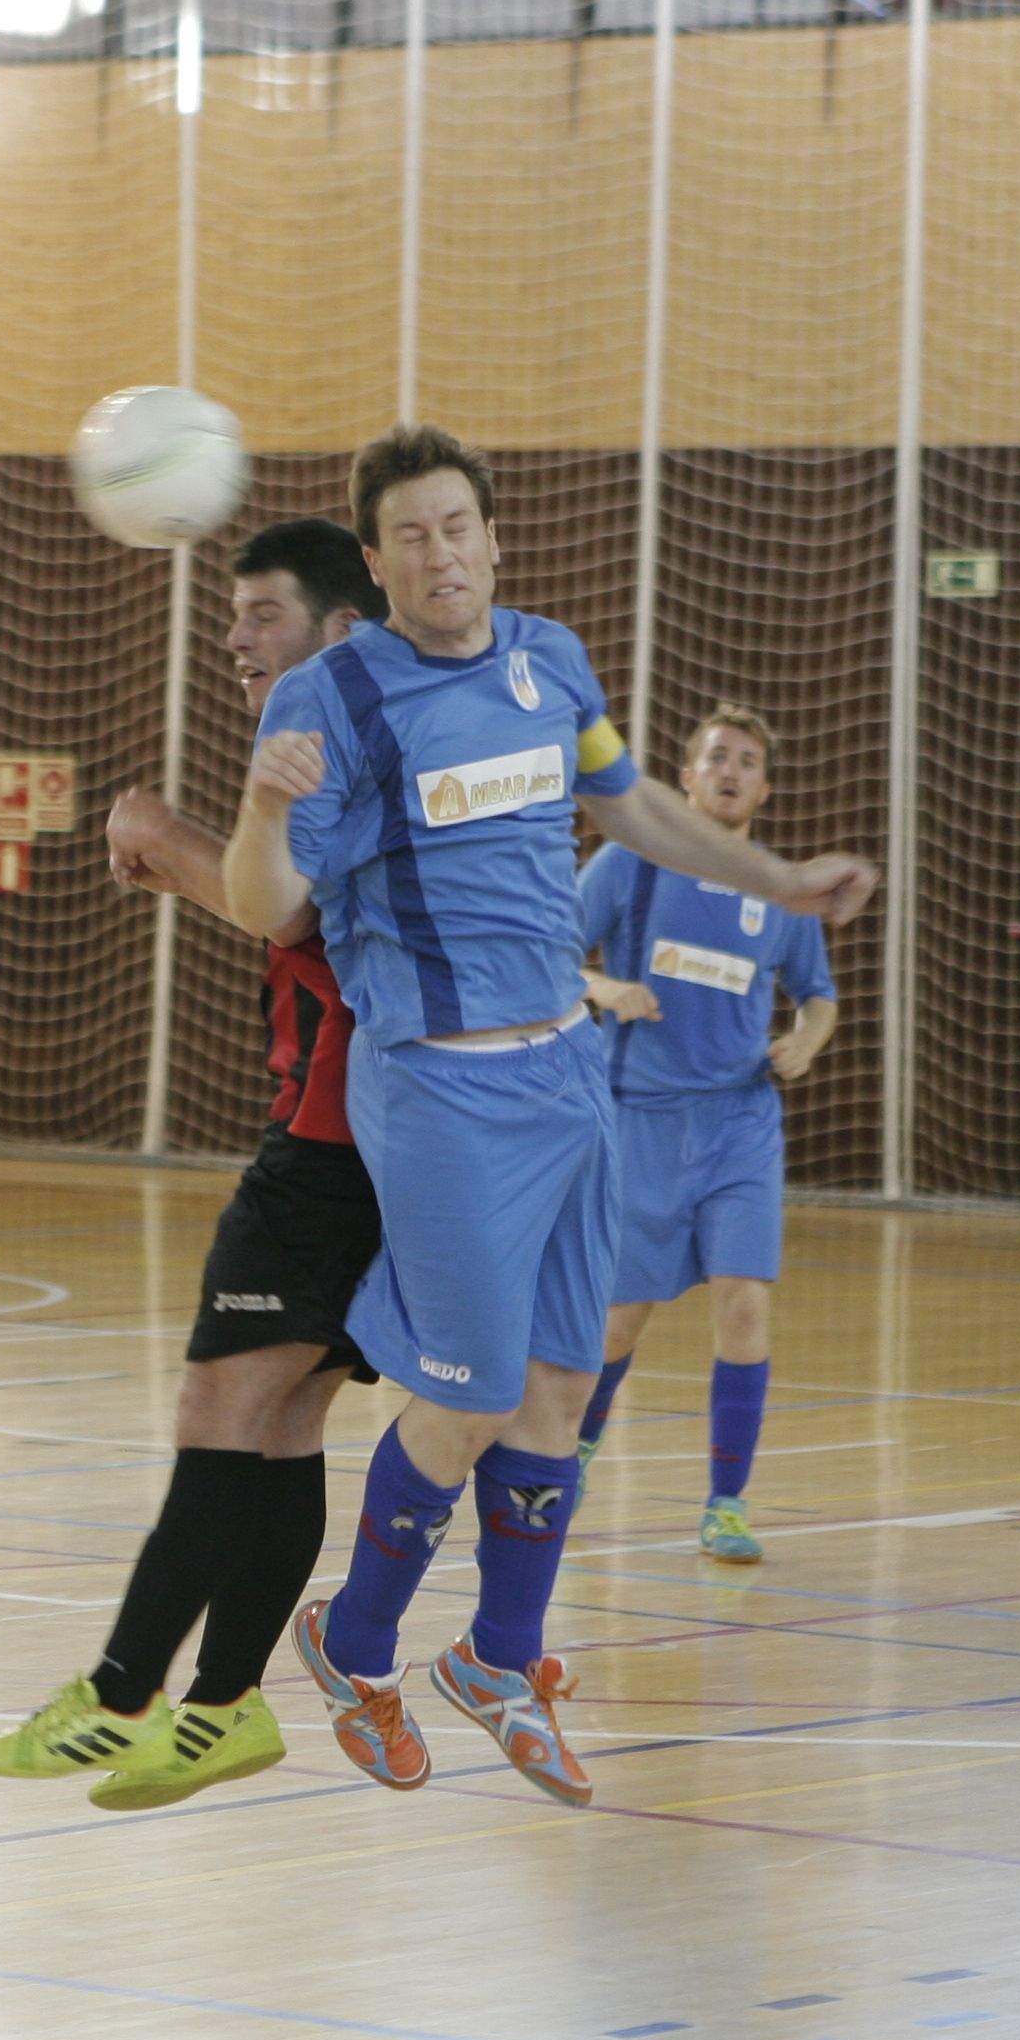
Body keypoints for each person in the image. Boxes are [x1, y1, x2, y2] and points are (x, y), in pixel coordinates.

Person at [222, 428, 877, 1805]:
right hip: (439, 1084)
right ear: (378, 561)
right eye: (411, 535)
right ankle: (351, 1642)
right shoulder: (334, 696)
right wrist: (264, 813)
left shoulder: (551, 663)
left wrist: (779, 880)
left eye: (458, 525)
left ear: (492, 536)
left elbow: (631, 805)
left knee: (564, 1385)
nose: (441, 553)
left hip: (571, 1076)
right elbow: (267, 906)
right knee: (472, 1391)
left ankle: (498, 1658)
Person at [0, 520, 391, 1811]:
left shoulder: (347, 737)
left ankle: (119, 1695)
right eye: (233, 615)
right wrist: (196, 862)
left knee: (221, 1410)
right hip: (375, 1146)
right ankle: (222, 1708)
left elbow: (307, 914)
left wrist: (163, 829)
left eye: (263, 613)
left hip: (329, 1150)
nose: (234, 638)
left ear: (340, 628)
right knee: (285, 1419)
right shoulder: (370, 730)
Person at [568, 702, 839, 1564]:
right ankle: (572, 1453)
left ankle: (727, 1503)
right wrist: (605, 990)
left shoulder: (779, 888)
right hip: (642, 1121)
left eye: (748, 761)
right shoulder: (632, 863)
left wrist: (807, 1039)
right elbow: (547, 953)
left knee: (746, 1304)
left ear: (764, 789)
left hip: (740, 1123)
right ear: (685, 777)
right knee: (619, 1323)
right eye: (718, 756)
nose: (731, 771)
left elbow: (819, 994)